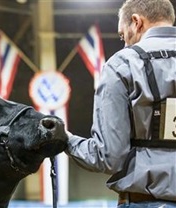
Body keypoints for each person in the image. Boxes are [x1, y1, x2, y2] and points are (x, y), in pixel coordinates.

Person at [65, 0, 176, 207]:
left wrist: (66, 141)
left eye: (123, 35)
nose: (125, 43)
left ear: (136, 22)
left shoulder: (123, 64)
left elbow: (109, 156)